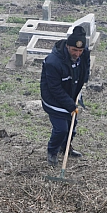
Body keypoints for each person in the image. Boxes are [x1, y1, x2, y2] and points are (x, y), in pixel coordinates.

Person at [40, 26, 91, 166]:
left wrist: (84, 79)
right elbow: (54, 89)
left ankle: (66, 147)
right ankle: (52, 151)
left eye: (80, 50)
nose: (77, 54)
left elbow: (86, 66)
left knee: (72, 126)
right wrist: (70, 105)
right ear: (67, 46)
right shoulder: (53, 62)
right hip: (54, 99)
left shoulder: (84, 53)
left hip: (71, 94)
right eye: (74, 50)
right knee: (61, 129)